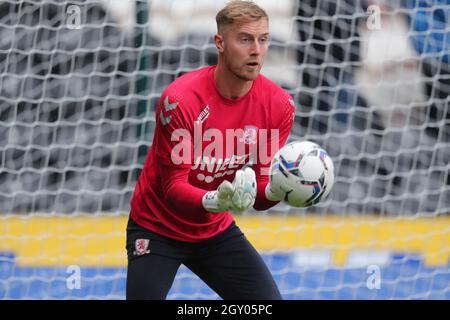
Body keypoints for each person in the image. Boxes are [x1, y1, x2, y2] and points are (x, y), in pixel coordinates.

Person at [126, 0, 295, 300]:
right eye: (245, 39)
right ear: (220, 42)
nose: (256, 50)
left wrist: (285, 190)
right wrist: (213, 199)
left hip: (214, 231)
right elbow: (173, 188)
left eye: (263, 39)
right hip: (157, 226)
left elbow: (260, 195)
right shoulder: (179, 100)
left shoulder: (278, 105)